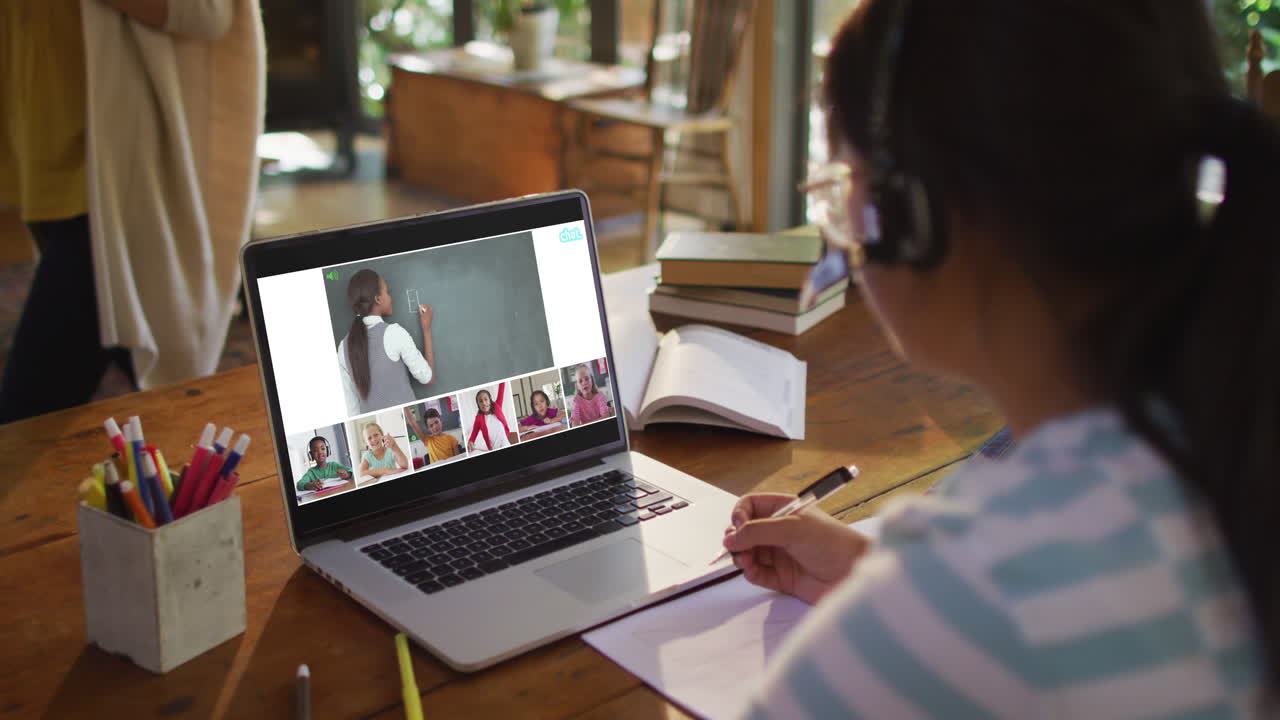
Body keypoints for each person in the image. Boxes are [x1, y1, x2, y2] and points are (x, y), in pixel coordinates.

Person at [721, 2, 1276, 717]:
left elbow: (1012, 605)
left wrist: (918, 615)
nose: (846, 235)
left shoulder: (979, 588)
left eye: (843, 186)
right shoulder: (1226, 438)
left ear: (916, 211)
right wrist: (881, 583)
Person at [0, 0, 265, 423]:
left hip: (116, 183)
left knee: (26, 412)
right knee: (144, 386)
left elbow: (208, 11)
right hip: (47, 161)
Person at [337, 269, 435, 415]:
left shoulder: (342, 348)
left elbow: (353, 411)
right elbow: (428, 378)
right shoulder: (394, 333)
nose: (390, 298)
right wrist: (426, 329)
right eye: (387, 292)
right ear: (378, 299)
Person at [467, 388, 512, 452]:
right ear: (478, 405)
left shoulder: (497, 407)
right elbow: (473, 436)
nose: (484, 403)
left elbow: (501, 389)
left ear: (490, 400)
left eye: (486, 399)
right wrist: (470, 442)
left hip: (506, 445)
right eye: (480, 401)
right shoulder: (478, 419)